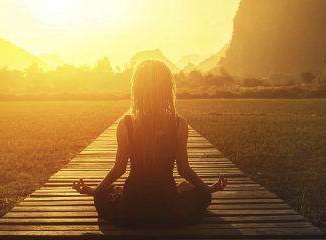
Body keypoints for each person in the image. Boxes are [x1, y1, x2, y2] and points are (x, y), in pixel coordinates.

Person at [72, 60, 227, 227]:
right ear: (168, 89)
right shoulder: (179, 124)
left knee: (103, 195)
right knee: (203, 195)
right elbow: (184, 170)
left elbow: (119, 169)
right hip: (167, 208)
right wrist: (208, 188)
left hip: (132, 209)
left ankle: (127, 193)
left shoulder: (126, 125)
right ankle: (182, 190)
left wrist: (95, 191)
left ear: (137, 90)